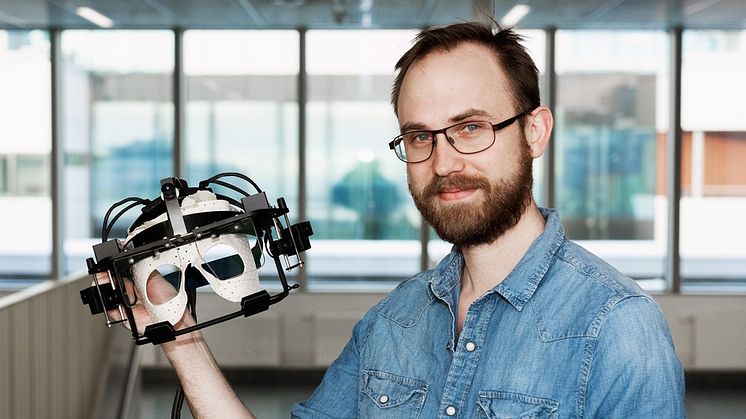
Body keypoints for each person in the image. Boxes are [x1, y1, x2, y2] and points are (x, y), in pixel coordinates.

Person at [120, 21, 686, 418]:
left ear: (534, 131)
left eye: (470, 127)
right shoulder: (393, 324)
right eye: (420, 136)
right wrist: (182, 342)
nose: (444, 163)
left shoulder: (617, 328)